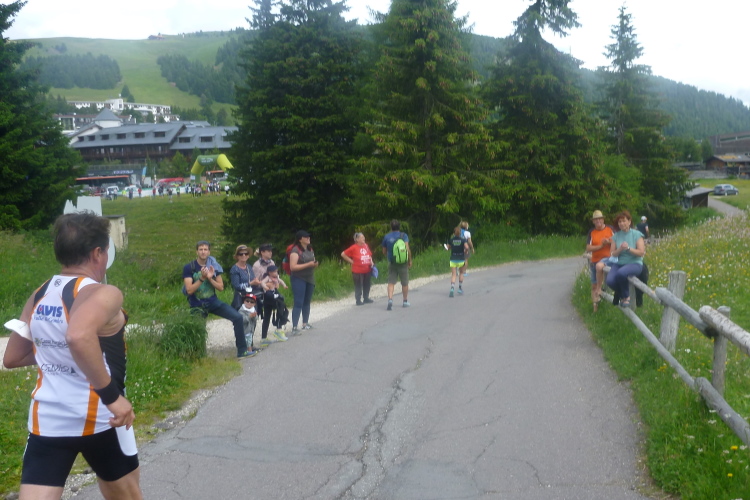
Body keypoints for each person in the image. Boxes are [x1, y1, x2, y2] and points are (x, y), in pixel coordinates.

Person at [2, 212, 143, 499]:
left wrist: (56, 349)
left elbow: (13, 356)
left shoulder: (40, 293)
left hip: (49, 419)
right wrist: (113, 399)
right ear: (97, 253)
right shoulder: (104, 293)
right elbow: (78, 336)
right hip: (103, 417)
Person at [183, 240, 256, 358]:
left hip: (212, 301)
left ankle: (242, 351)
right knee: (199, 330)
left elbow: (221, 287)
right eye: (201, 249)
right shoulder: (189, 267)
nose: (203, 252)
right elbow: (189, 290)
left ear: (209, 252)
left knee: (238, 317)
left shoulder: (213, 266)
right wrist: (202, 278)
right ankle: (201, 357)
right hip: (196, 304)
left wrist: (210, 278)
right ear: (197, 252)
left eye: (205, 249)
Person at [606, 210, 646, 308]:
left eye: (624, 221)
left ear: (629, 221)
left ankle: (626, 297)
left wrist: (628, 248)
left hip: (635, 263)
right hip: (619, 263)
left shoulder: (637, 234)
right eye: (619, 222)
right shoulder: (616, 236)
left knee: (621, 273)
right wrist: (620, 249)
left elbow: (641, 252)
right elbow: (612, 253)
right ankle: (623, 294)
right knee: (610, 281)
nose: (621, 223)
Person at [289, 230, 318, 335]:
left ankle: (305, 323)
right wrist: (308, 264)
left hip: (309, 277)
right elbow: (293, 267)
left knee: (307, 301)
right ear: (300, 239)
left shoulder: (310, 249)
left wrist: (314, 264)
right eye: (306, 237)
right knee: (298, 302)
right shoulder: (295, 250)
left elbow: (312, 261)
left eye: (308, 237)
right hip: (298, 278)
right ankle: (294, 327)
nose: (308, 238)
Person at [586, 210, 615, 312]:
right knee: (594, 285)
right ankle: (595, 308)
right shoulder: (592, 232)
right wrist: (600, 246)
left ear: (603, 220)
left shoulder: (610, 229)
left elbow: (617, 241)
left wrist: (608, 242)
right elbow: (588, 248)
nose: (598, 221)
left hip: (607, 261)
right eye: (596, 219)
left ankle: (608, 307)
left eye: (600, 219)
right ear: (593, 221)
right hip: (595, 260)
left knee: (607, 285)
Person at [381, 219, 412, 310]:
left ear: (391, 227)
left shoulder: (387, 237)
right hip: (403, 263)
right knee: (404, 283)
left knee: (391, 282)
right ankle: (405, 301)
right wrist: (409, 260)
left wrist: (389, 256)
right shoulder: (403, 235)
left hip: (392, 262)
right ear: (399, 227)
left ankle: (390, 299)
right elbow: (407, 249)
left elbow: (384, 251)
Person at [341, 232, 374, 306]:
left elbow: (369, 255)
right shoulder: (353, 247)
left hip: (367, 269)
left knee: (367, 284)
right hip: (357, 270)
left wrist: (371, 261)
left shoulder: (366, 246)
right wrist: (352, 262)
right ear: (357, 239)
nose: (364, 238)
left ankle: (366, 298)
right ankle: (358, 300)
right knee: (358, 285)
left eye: (364, 237)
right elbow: (343, 254)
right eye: (362, 237)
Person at [261, 265, 289, 342]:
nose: (276, 273)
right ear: (269, 272)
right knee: (269, 314)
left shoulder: (277, 277)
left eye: (276, 271)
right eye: (274, 272)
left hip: (274, 292)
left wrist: (284, 285)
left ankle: (277, 330)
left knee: (279, 308)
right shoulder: (268, 277)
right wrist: (265, 287)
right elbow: (262, 282)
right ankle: (274, 332)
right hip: (268, 294)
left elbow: (281, 281)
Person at [229, 245, 261, 310]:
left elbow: (253, 278)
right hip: (241, 297)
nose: (244, 255)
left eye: (246, 253)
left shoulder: (249, 266)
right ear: (237, 256)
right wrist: (251, 283)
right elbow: (237, 286)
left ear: (248, 256)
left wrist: (256, 281)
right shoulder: (235, 269)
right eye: (241, 254)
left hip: (251, 295)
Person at [447, 226, 469, 297]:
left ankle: (452, 289)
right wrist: (465, 251)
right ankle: (459, 288)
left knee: (454, 274)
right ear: (460, 233)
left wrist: (449, 247)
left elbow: (448, 248)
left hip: (453, 259)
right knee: (461, 273)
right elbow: (467, 247)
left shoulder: (451, 240)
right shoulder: (463, 240)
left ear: (454, 233)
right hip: (461, 259)